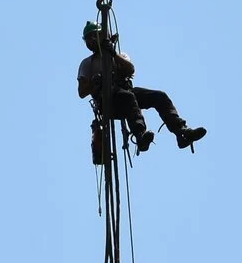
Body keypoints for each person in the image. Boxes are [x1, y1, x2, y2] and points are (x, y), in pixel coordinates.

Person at [80, 20, 206, 162]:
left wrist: (113, 54)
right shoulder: (88, 63)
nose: (91, 40)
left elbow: (130, 69)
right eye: (87, 38)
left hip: (126, 95)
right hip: (107, 102)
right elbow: (81, 92)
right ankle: (140, 136)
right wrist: (94, 82)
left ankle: (181, 132)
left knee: (159, 96)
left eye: (94, 35)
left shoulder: (118, 55)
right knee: (127, 97)